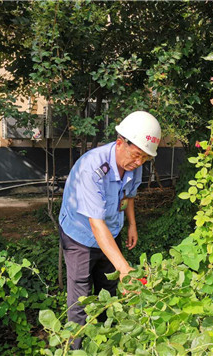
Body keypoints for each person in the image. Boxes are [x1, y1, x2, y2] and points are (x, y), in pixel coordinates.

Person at [58, 111, 161, 349]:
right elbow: (96, 224)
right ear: (119, 143)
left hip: (110, 235)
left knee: (108, 289)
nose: (139, 163)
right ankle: (75, 348)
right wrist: (125, 269)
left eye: (145, 159)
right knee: (81, 298)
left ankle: (105, 342)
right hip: (80, 237)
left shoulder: (134, 164)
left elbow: (129, 195)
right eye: (136, 156)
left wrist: (132, 225)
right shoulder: (91, 168)